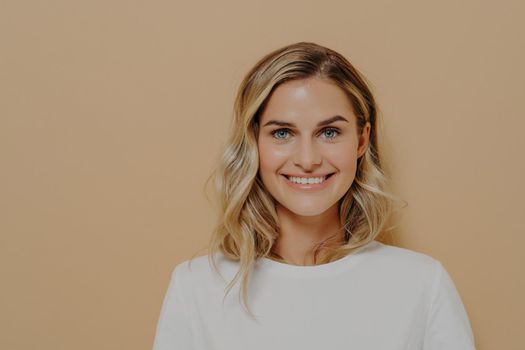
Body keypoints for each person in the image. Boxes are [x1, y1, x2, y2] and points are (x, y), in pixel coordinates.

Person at [152, 41, 476, 350]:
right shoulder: (195, 288)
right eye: (282, 133)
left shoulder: (422, 284)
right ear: (254, 143)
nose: (307, 160)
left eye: (329, 132)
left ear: (362, 141)